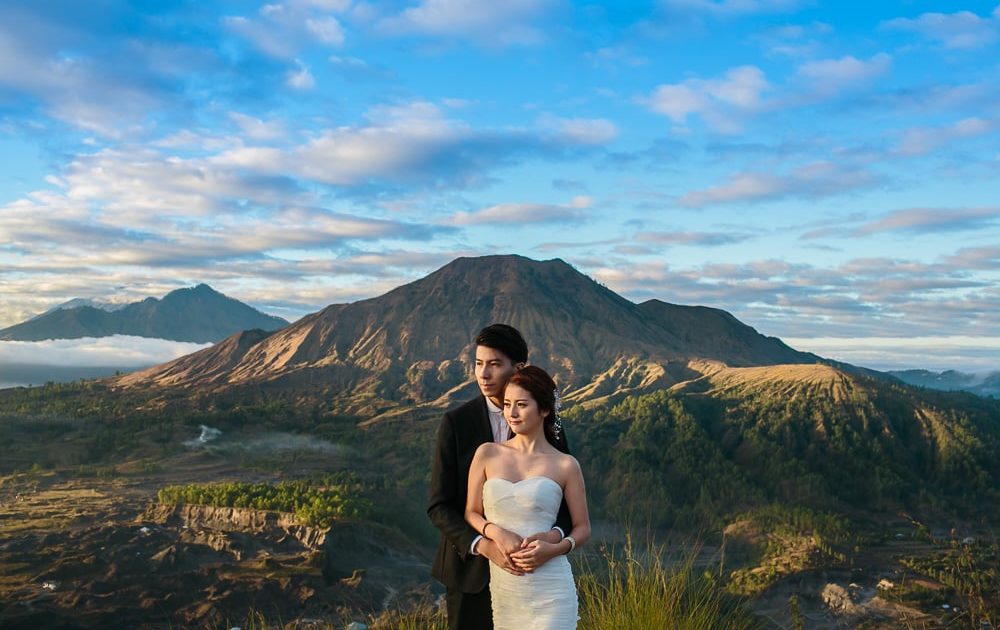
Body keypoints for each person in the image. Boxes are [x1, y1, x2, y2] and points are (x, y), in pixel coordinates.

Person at [428, 325, 573, 629]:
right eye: (478, 363)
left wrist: (552, 539)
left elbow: (566, 504)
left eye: (494, 364)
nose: (483, 374)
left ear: (518, 368)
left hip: (533, 576)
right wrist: (484, 544)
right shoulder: (457, 422)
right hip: (470, 576)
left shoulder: (548, 423)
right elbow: (439, 505)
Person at [465, 365, 590, 629]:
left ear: (544, 409)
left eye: (521, 404)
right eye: (507, 404)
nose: (511, 413)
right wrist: (495, 533)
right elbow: (471, 512)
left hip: (552, 588)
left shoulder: (566, 465)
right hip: (507, 589)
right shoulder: (487, 454)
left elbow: (582, 528)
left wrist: (554, 549)